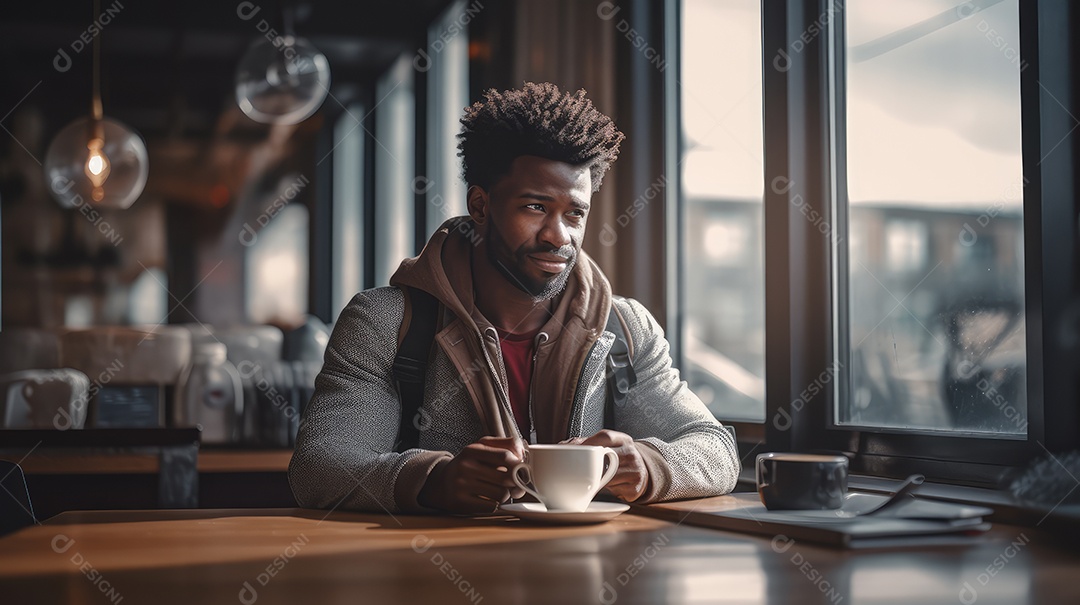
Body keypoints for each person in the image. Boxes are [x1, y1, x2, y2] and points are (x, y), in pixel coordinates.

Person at [289, 82, 740, 514]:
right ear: (481, 206)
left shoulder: (624, 327)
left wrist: (648, 466)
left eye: (574, 214)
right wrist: (433, 481)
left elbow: (716, 450)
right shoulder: (385, 322)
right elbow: (319, 467)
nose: (558, 235)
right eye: (535, 207)